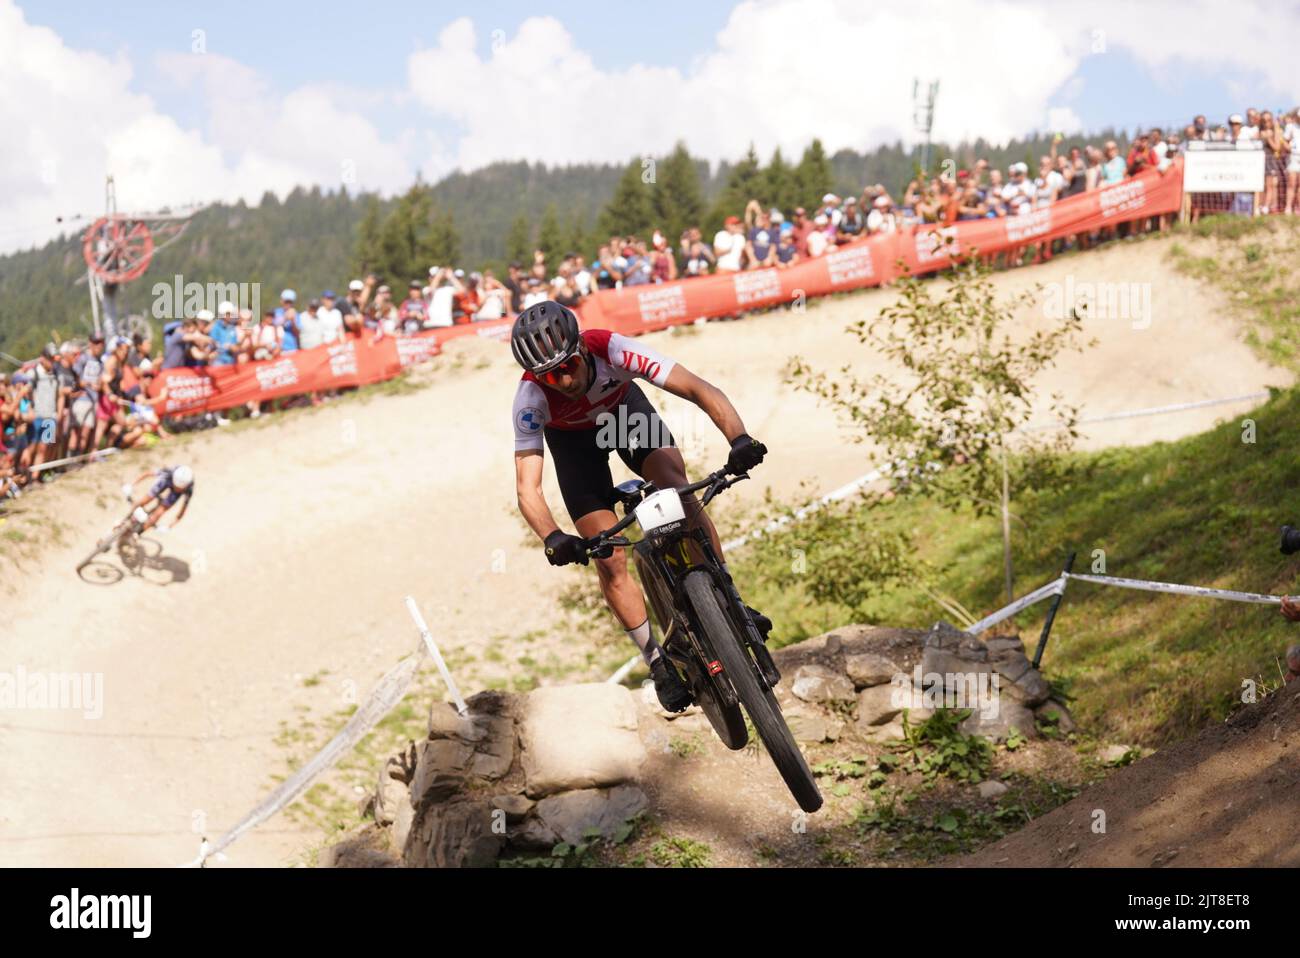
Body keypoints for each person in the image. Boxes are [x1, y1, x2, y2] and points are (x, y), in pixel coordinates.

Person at [509, 301, 773, 712]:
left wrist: (738, 439)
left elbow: (699, 388)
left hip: (624, 414)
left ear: (581, 348)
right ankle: (657, 660)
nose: (562, 381)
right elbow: (528, 487)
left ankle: (729, 599)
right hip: (574, 446)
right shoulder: (530, 397)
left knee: (677, 491)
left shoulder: (612, 350)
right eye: (549, 375)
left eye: (568, 366)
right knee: (607, 554)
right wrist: (553, 537)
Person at [122, 464, 195, 535]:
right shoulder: (169, 473)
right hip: (167, 482)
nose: (177, 489)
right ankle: (124, 520)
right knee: (145, 500)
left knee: (159, 512)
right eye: (176, 486)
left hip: (174, 493)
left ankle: (137, 534)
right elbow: (148, 474)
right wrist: (131, 485)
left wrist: (169, 527)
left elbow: (181, 513)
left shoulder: (189, 489)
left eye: (180, 489)